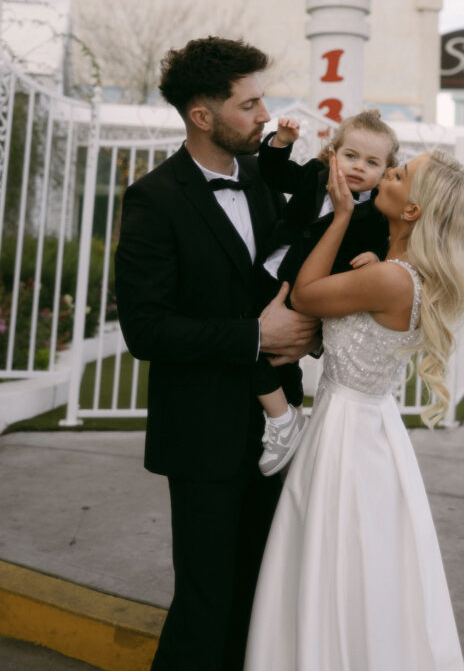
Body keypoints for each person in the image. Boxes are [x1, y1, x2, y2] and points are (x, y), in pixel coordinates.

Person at [114, 37, 320, 671]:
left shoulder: (265, 179)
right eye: (249, 103)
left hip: (277, 421)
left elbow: (288, 267)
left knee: (261, 593)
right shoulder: (154, 199)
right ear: (202, 116)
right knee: (205, 603)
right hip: (201, 434)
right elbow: (146, 330)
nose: (265, 115)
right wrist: (257, 338)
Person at [244, 148, 464, 671]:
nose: (387, 174)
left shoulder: (392, 278)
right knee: (354, 562)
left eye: (397, 174)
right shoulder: (394, 269)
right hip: (360, 422)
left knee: (332, 558)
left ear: (412, 210)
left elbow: (305, 295)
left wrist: (343, 213)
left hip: (348, 432)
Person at [253, 109, 398, 475]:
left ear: (384, 172)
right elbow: (273, 173)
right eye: (350, 156)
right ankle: (284, 416)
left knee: (278, 354)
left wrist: (376, 256)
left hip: (309, 292)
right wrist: (280, 143)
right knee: (247, 337)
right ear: (333, 154)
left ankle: (284, 417)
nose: (358, 167)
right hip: (274, 272)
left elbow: (391, 246)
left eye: (371, 162)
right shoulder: (315, 178)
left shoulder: (377, 213)